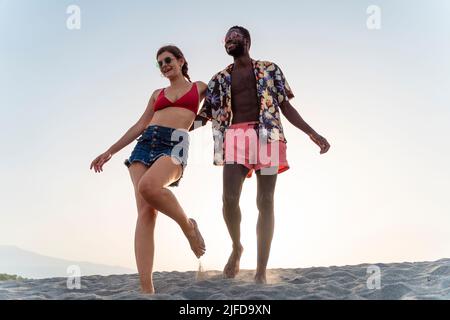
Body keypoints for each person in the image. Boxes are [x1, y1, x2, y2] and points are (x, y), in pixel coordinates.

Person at [192, 26, 331, 284]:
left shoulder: (270, 69)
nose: (229, 41)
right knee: (229, 199)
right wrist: (179, 126)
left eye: (234, 37)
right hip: (235, 137)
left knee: (265, 200)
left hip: (269, 138)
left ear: (247, 41)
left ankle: (260, 271)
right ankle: (237, 247)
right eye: (226, 39)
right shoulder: (219, 78)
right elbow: (204, 114)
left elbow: (285, 106)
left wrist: (312, 133)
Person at [90, 45, 207, 294]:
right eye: (160, 64)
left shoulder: (199, 87)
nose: (165, 66)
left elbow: (219, 108)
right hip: (144, 146)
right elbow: (140, 125)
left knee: (149, 187)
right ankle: (147, 290)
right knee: (146, 214)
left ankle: (188, 227)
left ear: (180, 60)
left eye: (168, 60)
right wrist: (110, 151)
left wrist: (193, 125)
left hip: (175, 143)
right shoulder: (157, 93)